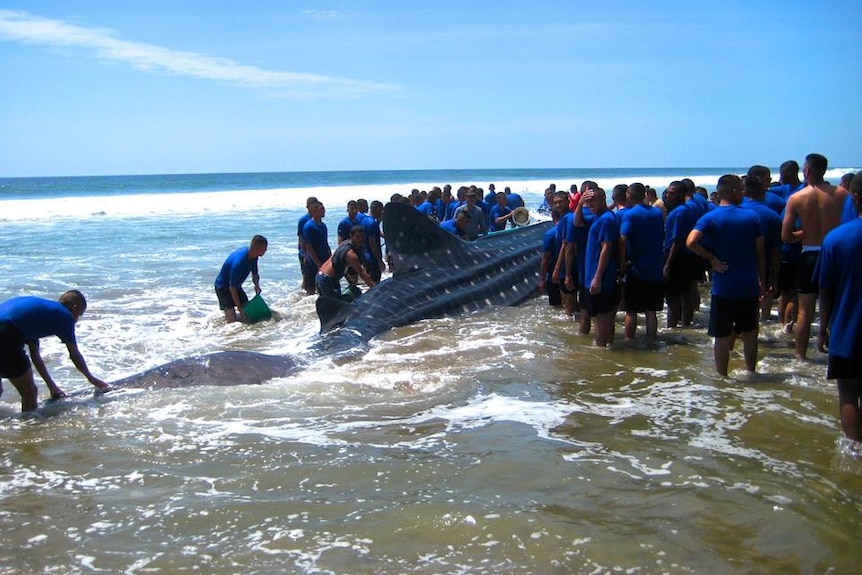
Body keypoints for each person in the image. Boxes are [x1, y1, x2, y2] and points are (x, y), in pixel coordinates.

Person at [687, 175, 765, 377]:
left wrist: (712, 259)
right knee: (750, 333)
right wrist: (762, 279)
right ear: (735, 192)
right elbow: (760, 252)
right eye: (741, 189)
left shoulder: (710, 217)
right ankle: (751, 372)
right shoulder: (751, 217)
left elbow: (691, 242)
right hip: (748, 284)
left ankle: (722, 376)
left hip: (724, 286)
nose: (744, 193)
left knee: (721, 335)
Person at [781, 153, 849, 360]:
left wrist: (805, 233)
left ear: (808, 171)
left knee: (805, 311)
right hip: (835, 254)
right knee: (837, 308)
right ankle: (837, 353)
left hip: (809, 255)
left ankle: (801, 357)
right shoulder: (842, 195)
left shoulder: (796, 198)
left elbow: (786, 236)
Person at [0, 290, 110, 411]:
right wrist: (92, 379)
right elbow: (74, 354)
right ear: (75, 307)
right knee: (29, 392)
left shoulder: (38, 315)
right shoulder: (64, 316)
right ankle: (29, 427)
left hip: (6, 328)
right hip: (6, 333)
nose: (77, 319)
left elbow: (35, 356)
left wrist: (52, 387)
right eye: (79, 315)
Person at [816, 172, 862, 441]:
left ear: (854, 197)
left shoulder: (836, 238)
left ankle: (856, 456)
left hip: (848, 329)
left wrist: (823, 329)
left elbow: (826, 290)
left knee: (848, 394)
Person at [619, 183, 665, 342]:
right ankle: (652, 340)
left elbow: (623, 239)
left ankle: (628, 340)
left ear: (629, 195)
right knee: (651, 310)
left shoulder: (630, 215)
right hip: (655, 267)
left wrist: (621, 264)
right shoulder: (657, 213)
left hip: (637, 268)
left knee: (631, 311)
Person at [580, 188, 619, 347]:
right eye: (587, 201)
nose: (589, 204)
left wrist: (597, 276)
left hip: (600, 276)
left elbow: (606, 247)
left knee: (600, 317)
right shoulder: (604, 217)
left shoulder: (604, 220)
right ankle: (608, 345)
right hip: (604, 275)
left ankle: (601, 349)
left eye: (592, 200)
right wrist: (580, 203)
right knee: (606, 315)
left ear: (603, 198)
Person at [741, 175, 783, 321]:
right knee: (765, 299)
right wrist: (775, 279)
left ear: (744, 192)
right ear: (764, 192)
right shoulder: (773, 216)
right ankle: (763, 324)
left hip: (739, 263)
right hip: (765, 262)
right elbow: (776, 250)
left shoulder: (736, 211)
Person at [662, 181, 697, 328]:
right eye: (668, 192)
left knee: (674, 297)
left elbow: (678, 240)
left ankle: (674, 327)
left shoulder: (680, 212)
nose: (668, 195)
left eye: (672, 193)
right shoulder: (682, 210)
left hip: (677, 256)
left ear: (682, 195)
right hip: (681, 256)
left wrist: (668, 264)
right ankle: (682, 325)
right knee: (682, 295)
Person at [214, 235, 268, 323]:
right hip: (222, 286)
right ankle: (227, 332)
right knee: (232, 317)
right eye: (264, 248)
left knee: (247, 312)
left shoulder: (254, 255)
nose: (266, 250)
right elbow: (232, 288)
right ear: (257, 248)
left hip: (235, 285)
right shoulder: (239, 263)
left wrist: (257, 285)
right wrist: (239, 308)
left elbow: (254, 273)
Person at [316, 225, 378, 300]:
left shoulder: (344, 243)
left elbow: (339, 263)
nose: (360, 239)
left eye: (362, 236)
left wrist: (348, 279)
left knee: (327, 305)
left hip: (320, 275)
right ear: (351, 236)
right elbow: (362, 273)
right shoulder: (350, 254)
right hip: (328, 280)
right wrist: (375, 289)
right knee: (336, 307)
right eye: (357, 237)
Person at [302, 201, 331, 296]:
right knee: (311, 289)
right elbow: (309, 247)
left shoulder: (323, 226)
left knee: (323, 287)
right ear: (314, 211)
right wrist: (318, 263)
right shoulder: (308, 226)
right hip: (313, 263)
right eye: (321, 209)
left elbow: (325, 243)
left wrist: (330, 258)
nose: (324, 211)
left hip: (324, 260)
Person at [297, 196, 318, 294]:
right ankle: (303, 297)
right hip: (304, 253)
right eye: (312, 206)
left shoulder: (316, 219)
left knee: (313, 277)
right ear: (308, 207)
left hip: (313, 252)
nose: (314, 208)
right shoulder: (303, 220)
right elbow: (301, 238)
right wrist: (305, 254)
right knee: (307, 277)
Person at [363, 200, 386, 283]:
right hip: (373, 258)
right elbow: (372, 242)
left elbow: (373, 233)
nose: (382, 212)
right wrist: (379, 260)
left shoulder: (364, 220)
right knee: (375, 283)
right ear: (377, 209)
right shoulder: (373, 224)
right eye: (381, 210)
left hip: (365, 256)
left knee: (369, 282)